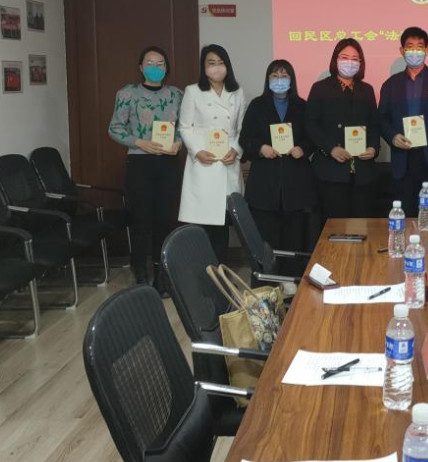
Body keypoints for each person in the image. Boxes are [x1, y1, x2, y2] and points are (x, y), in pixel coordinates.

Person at [107, 46, 184, 286]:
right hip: (140, 161)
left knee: (164, 219)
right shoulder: (128, 94)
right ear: (141, 67)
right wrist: (139, 142)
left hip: (168, 162)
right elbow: (114, 128)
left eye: (160, 64)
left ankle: (162, 271)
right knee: (141, 218)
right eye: (150, 63)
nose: (155, 67)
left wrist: (179, 142)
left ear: (166, 68)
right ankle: (140, 267)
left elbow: (185, 127)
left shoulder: (177, 95)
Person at [239, 59, 317, 264]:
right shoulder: (257, 105)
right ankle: (266, 279)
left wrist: (303, 149)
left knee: (294, 242)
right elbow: (245, 139)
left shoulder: (302, 106)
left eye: (284, 75)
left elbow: (313, 137)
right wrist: (260, 148)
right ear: (268, 79)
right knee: (266, 242)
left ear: (291, 79)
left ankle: (293, 279)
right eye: (275, 76)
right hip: (265, 184)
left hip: (296, 184)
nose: (279, 80)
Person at [378, 26, 428, 218]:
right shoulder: (390, 84)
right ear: (402, 50)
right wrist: (392, 137)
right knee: (405, 216)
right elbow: (381, 119)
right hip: (403, 159)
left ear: (427, 50)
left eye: (419, 47)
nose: (414, 51)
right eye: (409, 46)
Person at [178, 44, 245, 263]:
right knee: (203, 223)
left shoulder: (237, 91)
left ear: (228, 66)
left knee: (223, 221)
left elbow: (243, 128)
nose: (216, 67)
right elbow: (184, 127)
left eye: (221, 63)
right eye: (211, 63)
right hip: (204, 164)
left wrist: (236, 150)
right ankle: (202, 272)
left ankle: (220, 270)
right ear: (203, 66)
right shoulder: (193, 91)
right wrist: (197, 151)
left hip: (227, 162)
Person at [305, 38, 380, 220]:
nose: (350, 62)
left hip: (362, 172)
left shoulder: (367, 90)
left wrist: (373, 147)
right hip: (331, 171)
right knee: (334, 227)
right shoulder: (320, 88)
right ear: (335, 60)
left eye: (355, 59)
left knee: (361, 225)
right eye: (345, 57)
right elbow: (310, 124)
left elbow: (374, 124)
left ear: (360, 63)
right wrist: (330, 148)